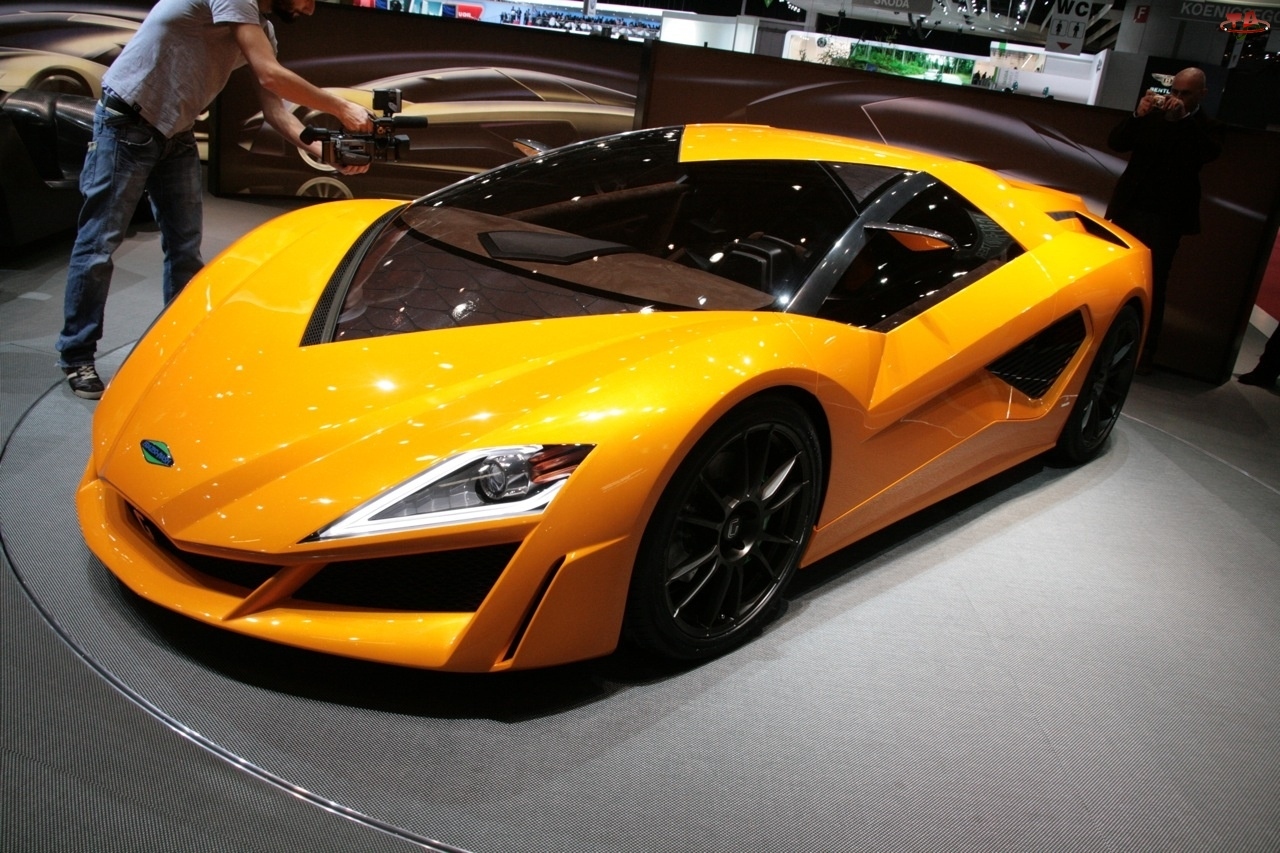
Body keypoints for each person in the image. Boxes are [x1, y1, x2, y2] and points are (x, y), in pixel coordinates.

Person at [56, 0, 373, 399]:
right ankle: (76, 354)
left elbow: (275, 111)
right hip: (126, 123)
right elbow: (271, 76)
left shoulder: (261, 29)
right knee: (98, 246)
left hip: (176, 133)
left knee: (185, 251)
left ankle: (178, 347)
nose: (309, 10)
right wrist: (341, 107)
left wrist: (322, 152)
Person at [1105, 66, 1222, 373]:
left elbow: (1205, 154)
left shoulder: (1205, 127)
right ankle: (1106, 344)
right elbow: (1117, 142)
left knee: (1154, 281)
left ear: (1202, 95)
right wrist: (1137, 115)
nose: (1177, 98)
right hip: (1130, 208)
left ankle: (1143, 352)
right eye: (1174, 91)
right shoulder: (1153, 116)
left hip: (1167, 217)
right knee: (1115, 276)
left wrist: (1184, 120)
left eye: (1186, 93)